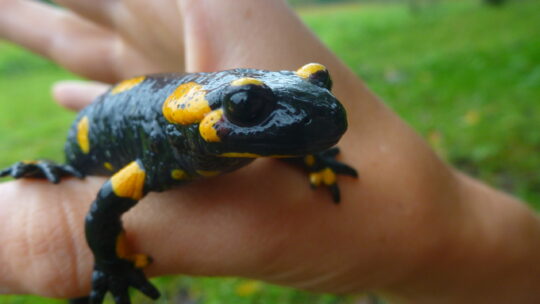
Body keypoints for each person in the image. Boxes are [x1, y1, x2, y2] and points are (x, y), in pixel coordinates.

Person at [0, 0, 539, 303]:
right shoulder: (163, 159)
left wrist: (311, 155)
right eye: (245, 105)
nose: (315, 109)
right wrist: (109, 262)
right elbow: (102, 209)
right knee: (70, 170)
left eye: (319, 84)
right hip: (97, 139)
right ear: (204, 122)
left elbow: (289, 124)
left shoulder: (228, 133)